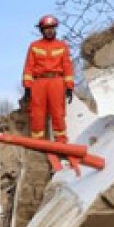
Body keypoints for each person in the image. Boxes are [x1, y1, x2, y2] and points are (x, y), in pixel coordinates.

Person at [21, 13, 74, 144]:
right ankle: (38, 143)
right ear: (41, 30)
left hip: (57, 82)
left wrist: (69, 87)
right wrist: (27, 87)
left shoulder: (62, 46)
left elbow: (67, 67)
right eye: (46, 28)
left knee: (58, 112)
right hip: (39, 83)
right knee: (37, 113)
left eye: (52, 28)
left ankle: (61, 142)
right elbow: (28, 67)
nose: (50, 30)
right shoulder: (34, 46)